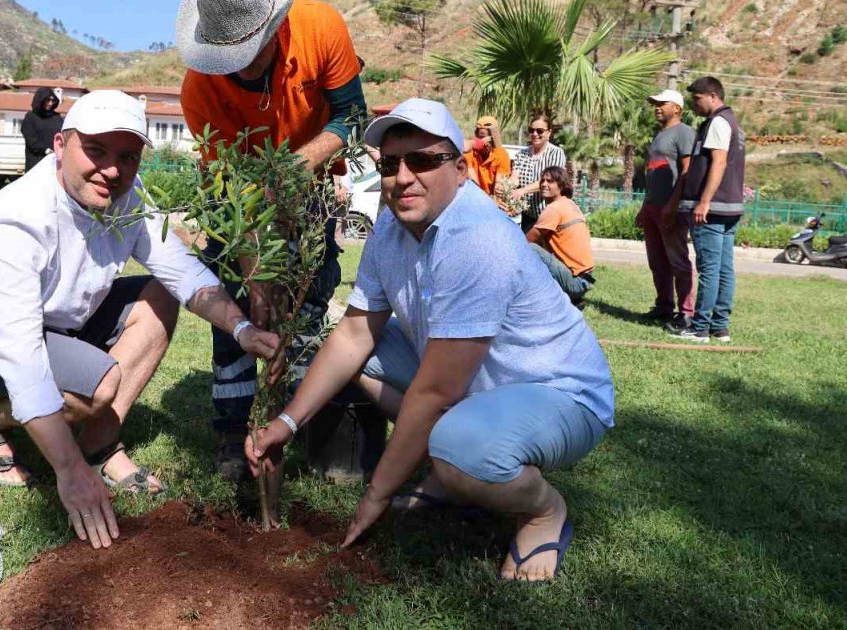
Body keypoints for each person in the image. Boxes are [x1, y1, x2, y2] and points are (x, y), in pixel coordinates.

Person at [247, 98, 614, 582]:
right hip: (477, 384)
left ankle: (542, 512)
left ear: (460, 170)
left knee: (458, 443)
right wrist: (288, 422)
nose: (403, 177)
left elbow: (436, 393)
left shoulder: (478, 238)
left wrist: (376, 495)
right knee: (351, 351)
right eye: (391, 164)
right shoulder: (390, 227)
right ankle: (449, 462)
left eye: (422, 160)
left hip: (559, 393)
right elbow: (356, 332)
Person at [0, 90, 279, 548]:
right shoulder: (16, 220)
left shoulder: (128, 199)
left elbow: (185, 275)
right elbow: (20, 353)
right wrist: (67, 471)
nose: (111, 170)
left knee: (160, 294)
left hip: (59, 323)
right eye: (95, 151)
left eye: (127, 157)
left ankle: (99, 440)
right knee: (100, 383)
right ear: (59, 146)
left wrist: (242, 328)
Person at [177, 0, 368, 479]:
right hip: (239, 199)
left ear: (275, 24)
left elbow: (353, 115)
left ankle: (300, 421)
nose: (240, 66)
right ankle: (232, 429)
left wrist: (298, 165)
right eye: (227, 57)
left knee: (308, 300)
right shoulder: (200, 89)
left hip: (309, 189)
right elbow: (233, 196)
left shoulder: (320, 27)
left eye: (249, 51)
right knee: (237, 306)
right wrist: (256, 277)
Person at [666, 76, 745, 344]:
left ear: (712, 95)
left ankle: (700, 328)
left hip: (713, 208)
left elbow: (719, 163)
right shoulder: (731, 121)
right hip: (729, 206)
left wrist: (704, 201)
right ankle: (720, 328)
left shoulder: (718, 122)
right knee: (724, 269)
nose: (694, 104)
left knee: (710, 269)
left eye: (697, 99)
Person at [635, 89, 695, 325]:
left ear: (677, 108)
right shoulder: (660, 134)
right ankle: (664, 306)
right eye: (655, 104)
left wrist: (673, 204)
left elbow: (687, 171)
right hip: (652, 207)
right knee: (657, 261)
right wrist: (645, 206)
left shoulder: (684, 133)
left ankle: (686, 312)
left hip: (672, 209)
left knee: (677, 261)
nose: (657, 107)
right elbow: (653, 174)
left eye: (662, 103)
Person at [525, 166, 595, 305]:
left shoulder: (554, 209)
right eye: (542, 181)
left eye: (550, 181)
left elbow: (525, 242)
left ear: (561, 185)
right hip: (584, 279)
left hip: (576, 282)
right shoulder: (568, 204)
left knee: (530, 248)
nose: (544, 184)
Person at [511, 113, 566, 232]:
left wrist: (523, 190)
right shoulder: (522, 154)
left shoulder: (556, 153)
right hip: (528, 216)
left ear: (549, 133)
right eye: (531, 130)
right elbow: (514, 178)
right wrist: (507, 189)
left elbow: (550, 180)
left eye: (540, 131)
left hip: (550, 215)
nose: (535, 134)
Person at [463, 115, 511, 200]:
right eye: (481, 138)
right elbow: (474, 186)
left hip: (494, 201)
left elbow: (499, 185)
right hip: (475, 197)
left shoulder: (501, 154)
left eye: (488, 139)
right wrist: (478, 143)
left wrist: (494, 199)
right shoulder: (470, 153)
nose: (485, 142)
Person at [21, 86, 63, 171]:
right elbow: (31, 141)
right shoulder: (31, 117)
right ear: (40, 100)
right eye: (47, 100)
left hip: (55, 163)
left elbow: (63, 135)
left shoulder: (57, 117)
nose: (50, 103)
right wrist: (46, 150)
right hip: (36, 163)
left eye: (52, 100)